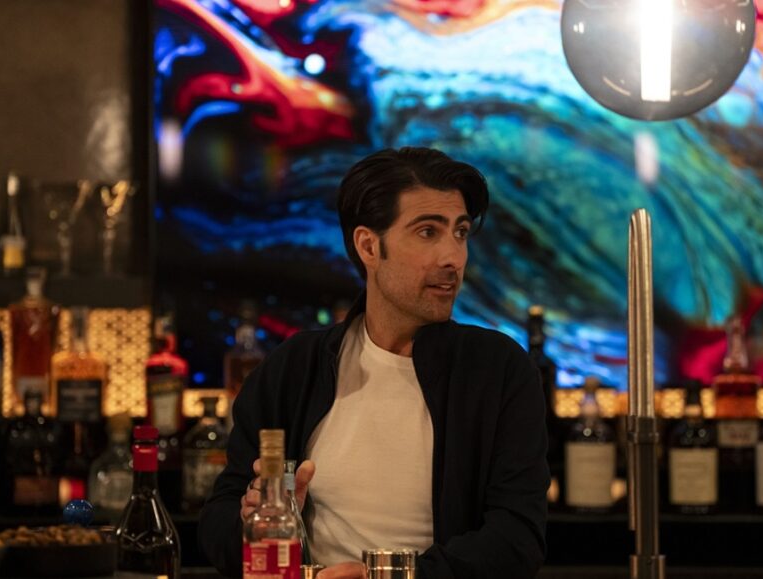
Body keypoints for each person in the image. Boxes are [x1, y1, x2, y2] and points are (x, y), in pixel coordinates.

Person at [199, 147, 549, 579]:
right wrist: (255, 523)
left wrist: (389, 576)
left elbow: (517, 538)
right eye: (427, 232)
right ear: (369, 245)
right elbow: (217, 526)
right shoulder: (292, 368)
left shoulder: (498, 370)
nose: (453, 258)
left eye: (460, 233)